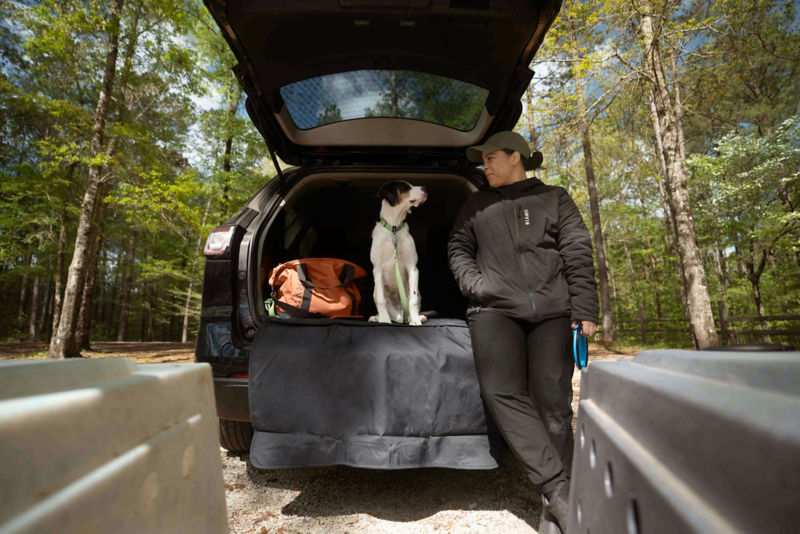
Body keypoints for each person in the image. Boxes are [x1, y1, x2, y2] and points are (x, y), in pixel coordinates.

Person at [448, 131, 598, 532]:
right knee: (500, 391)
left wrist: (584, 307)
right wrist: (478, 286)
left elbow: (577, 251)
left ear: (517, 157)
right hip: (494, 310)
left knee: (552, 404)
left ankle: (555, 506)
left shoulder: (555, 198)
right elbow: (458, 248)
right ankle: (558, 491)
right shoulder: (476, 204)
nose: (485, 165)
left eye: (492, 157)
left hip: (552, 310)